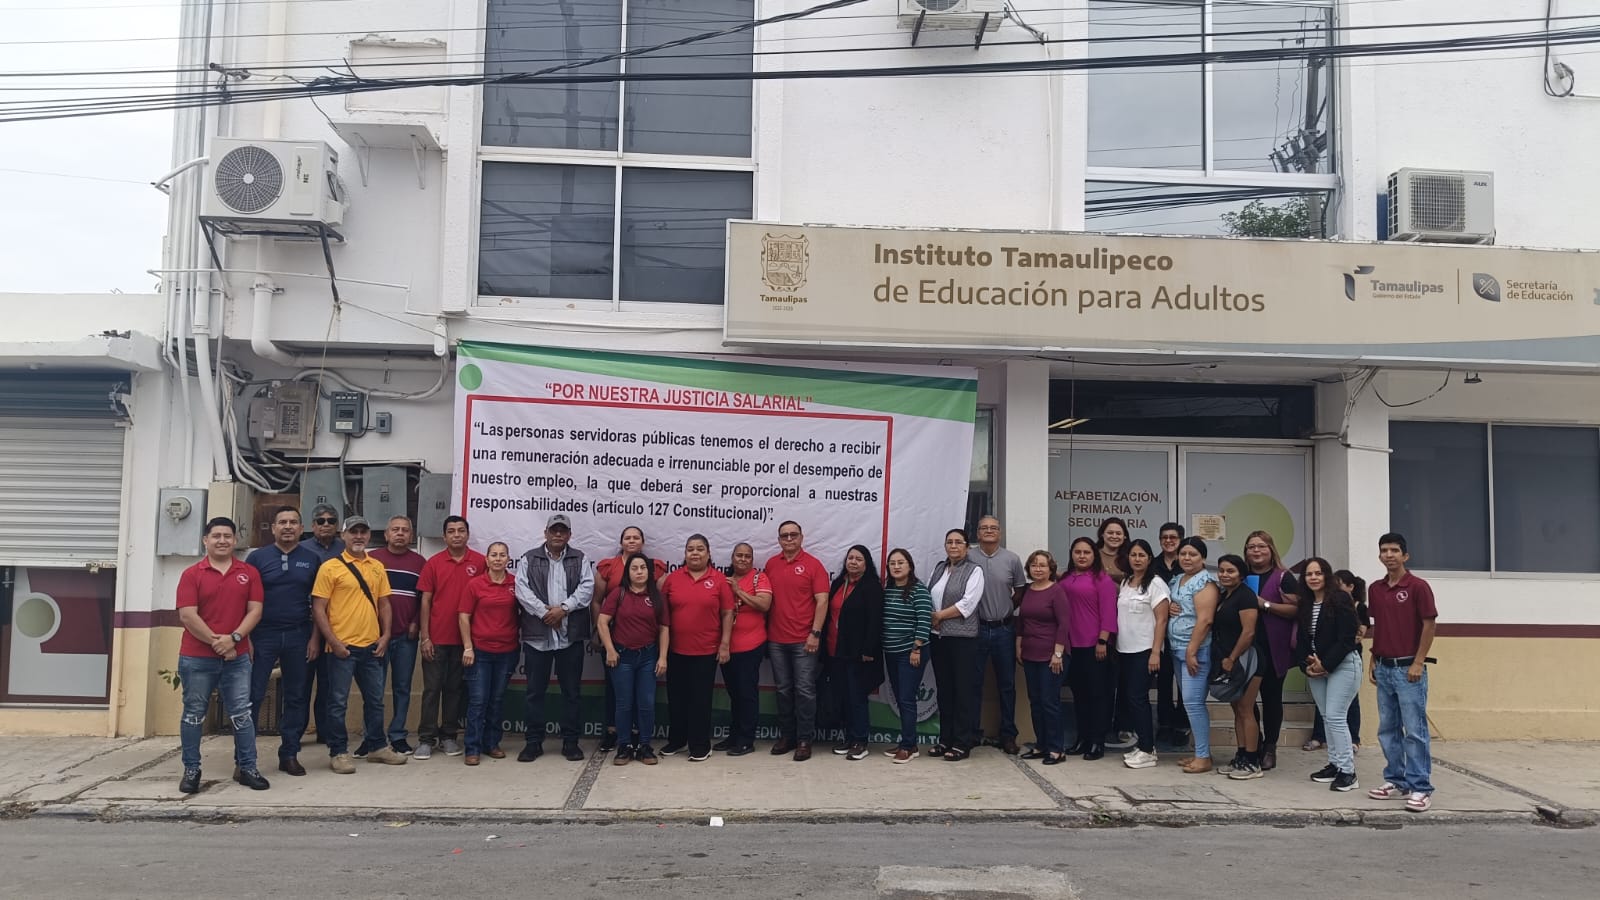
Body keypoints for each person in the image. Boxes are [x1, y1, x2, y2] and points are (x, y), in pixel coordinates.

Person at [175, 517, 267, 793]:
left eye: (228, 536)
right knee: (194, 714)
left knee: (242, 714)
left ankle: (248, 767)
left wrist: (235, 638)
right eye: (216, 536)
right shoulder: (192, 574)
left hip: (236, 658)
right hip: (197, 657)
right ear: (206, 540)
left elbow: (255, 610)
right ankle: (192, 769)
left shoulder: (248, 572)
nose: (222, 540)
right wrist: (217, 642)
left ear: (235, 541)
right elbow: (187, 615)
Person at [310, 516, 408, 772]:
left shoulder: (377, 567)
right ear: (344, 536)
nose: (359, 537)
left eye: (363, 532)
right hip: (341, 648)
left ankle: (377, 746)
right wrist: (332, 641)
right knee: (338, 702)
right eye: (353, 532)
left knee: (376, 701)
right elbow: (319, 608)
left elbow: (385, 603)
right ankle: (339, 751)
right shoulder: (330, 567)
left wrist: (386, 635)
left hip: (372, 647)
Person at [243, 505, 321, 777]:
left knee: (297, 697)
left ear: (301, 528)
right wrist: (247, 639)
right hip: (262, 636)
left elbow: (319, 604)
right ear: (273, 528)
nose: (288, 526)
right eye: (282, 522)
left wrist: (315, 638)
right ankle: (245, 760)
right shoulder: (256, 559)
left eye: (293, 522)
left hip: (299, 635)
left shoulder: (312, 559)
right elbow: (245, 602)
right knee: (252, 696)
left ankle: (289, 754)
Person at [1367, 532, 1439, 813]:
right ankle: (1396, 779)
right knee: (1387, 728)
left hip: (1409, 668)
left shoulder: (1418, 587)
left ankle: (1421, 787)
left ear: (1405, 555)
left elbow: (1429, 625)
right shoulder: (1376, 588)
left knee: (1415, 730)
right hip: (1384, 667)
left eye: (1394, 550)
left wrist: (1418, 662)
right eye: (1384, 550)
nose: (1389, 555)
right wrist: (1374, 658)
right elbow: (1380, 626)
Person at [515, 513, 596, 763]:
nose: (558, 534)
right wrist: (545, 613)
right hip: (537, 637)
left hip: (569, 637)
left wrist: (564, 609)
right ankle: (533, 743)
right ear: (546, 533)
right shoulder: (529, 558)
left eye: (563, 531)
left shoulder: (580, 558)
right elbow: (522, 590)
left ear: (569, 535)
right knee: (534, 693)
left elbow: (587, 588)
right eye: (554, 530)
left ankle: (570, 743)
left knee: (571, 692)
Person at [414, 515, 486, 759]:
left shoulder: (480, 562)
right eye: (452, 531)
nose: (457, 535)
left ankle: (449, 736)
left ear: (468, 534)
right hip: (436, 638)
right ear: (444, 536)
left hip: (466, 641)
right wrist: (425, 637)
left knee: (455, 689)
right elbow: (425, 601)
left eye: (461, 530)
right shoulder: (433, 563)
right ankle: (426, 738)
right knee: (432, 689)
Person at [659, 535, 735, 762]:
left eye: (700, 549)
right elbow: (663, 616)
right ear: (684, 554)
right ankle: (677, 740)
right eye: (690, 549)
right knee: (676, 698)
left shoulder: (719, 579)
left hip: (706, 651)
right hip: (676, 651)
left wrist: (724, 645)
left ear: (709, 554)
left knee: (700, 700)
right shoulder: (672, 579)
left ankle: (700, 744)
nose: (695, 553)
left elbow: (727, 613)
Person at [593, 526, 668, 753]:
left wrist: (662, 657)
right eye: (634, 568)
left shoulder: (656, 596)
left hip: (648, 655)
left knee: (645, 703)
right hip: (621, 654)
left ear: (649, 571)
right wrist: (609, 649)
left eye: (642, 568)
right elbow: (602, 621)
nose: (639, 572)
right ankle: (623, 745)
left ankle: (645, 745)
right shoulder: (618, 593)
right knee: (623, 703)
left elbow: (664, 627)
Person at [763, 521, 830, 761]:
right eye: (784, 536)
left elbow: (822, 601)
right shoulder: (771, 564)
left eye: (793, 535)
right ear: (779, 539)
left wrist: (815, 633)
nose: (789, 539)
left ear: (802, 537)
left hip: (805, 641)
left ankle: (804, 740)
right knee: (783, 690)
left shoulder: (813, 565)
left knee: (805, 691)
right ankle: (787, 736)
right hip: (776, 640)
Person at [1293, 557, 1361, 792]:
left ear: (1327, 576)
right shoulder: (1305, 603)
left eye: (1318, 573)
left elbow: (1346, 638)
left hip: (1342, 665)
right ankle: (1334, 764)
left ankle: (1348, 772)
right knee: (1325, 715)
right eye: (1309, 574)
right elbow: (1302, 639)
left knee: (1335, 715)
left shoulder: (1340, 599)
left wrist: (1326, 664)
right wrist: (1307, 664)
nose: (1313, 577)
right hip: (1316, 667)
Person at [968, 516, 1028, 755]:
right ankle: (971, 732)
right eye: (984, 528)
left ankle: (1008, 735)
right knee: (973, 684)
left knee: (1007, 685)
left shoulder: (1012, 559)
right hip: (975, 629)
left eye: (993, 528)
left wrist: (1006, 607)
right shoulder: (968, 557)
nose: (989, 531)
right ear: (978, 533)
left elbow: (1021, 589)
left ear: (1000, 533)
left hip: (1004, 629)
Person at [368, 515, 426, 757]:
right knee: (375, 689)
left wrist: (416, 623)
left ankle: (398, 736)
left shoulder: (420, 562)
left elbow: (423, 599)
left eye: (405, 530)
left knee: (402, 687)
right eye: (395, 529)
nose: (400, 533)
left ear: (411, 535)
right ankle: (374, 737)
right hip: (376, 636)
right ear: (387, 534)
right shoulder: (372, 559)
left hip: (406, 637)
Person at [458, 542, 520, 766]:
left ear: (508, 559)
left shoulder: (516, 583)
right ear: (486, 559)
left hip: (507, 651)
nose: (497, 559)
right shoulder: (475, 585)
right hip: (480, 652)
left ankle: (492, 743)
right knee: (478, 701)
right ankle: (472, 747)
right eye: (493, 555)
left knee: (496, 700)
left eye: (502, 555)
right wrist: (468, 647)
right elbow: (464, 616)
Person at [927, 529, 985, 761]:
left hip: (963, 640)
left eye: (958, 542)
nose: (953, 546)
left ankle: (962, 742)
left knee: (963, 691)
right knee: (945, 691)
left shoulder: (975, 570)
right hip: (938, 638)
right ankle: (945, 739)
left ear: (966, 547)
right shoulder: (939, 568)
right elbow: (929, 595)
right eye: (949, 542)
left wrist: (940, 616)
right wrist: (932, 616)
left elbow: (967, 605)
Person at [1241, 530, 1296, 772]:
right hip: (1247, 647)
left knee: (1272, 700)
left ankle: (1271, 747)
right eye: (1251, 547)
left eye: (1261, 546)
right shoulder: (1241, 576)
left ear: (1271, 549)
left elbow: (1295, 610)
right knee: (1246, 700)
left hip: (1274, 648)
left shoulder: (1284, 577)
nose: (1256, 551)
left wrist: (1263, 603)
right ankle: (1257, 741)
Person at [824, 545, 884, 761]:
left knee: (857, 697)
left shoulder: (872, 587)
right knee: (843, 696)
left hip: (858, 653)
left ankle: (860, 741)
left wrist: (869, 650)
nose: (853, 562)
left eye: (859, 559)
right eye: (850, 558)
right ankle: (849, 738)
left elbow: (875, 622)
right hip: (835, 650)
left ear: (866, 564)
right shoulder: (839, 583)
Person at [1213, 554, 1268, 779]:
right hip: (1231, 661)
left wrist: (1232, 657)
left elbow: (1248, 632)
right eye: (1222, 570)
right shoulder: (1225, 595)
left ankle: (1253, 762)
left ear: (1241, 575)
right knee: (1236, 710)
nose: (1225, 575)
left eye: (1231, 571)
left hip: (1248, 660)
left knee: (1246, 709)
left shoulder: (1246, 596)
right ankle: (1242, 755)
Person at [1061, 537, 1117, 760]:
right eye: (1077, 552)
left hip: (1095, 646)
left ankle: (1097, 741)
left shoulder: (1101, 579)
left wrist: (1103, 640)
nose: (1082, 556)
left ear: (1094, 555)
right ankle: (1082, 739)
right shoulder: (1065, 578)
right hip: (1071, 647)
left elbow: (1109, 613)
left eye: (1086, 552)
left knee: (1098, 696)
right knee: (1079, 695)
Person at [1116, 539, 1170, 769]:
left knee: (1139, 699)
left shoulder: (1156, 584)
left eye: (1142, 555)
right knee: (1131, 698)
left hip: (1145, 650)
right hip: (1124, 649)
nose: (1137, 559)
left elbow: (1162, 619)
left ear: (1149, 559)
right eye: (1133, 555)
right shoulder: (1126, 582)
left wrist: (1155, 652)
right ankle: (1142, 744)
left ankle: (1148, 749)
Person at [1168, 537, 1219, 773]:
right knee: (1188, 703)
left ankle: (1203, 756)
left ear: (1203, 558)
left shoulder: (1205, 583)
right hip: (1176, 648)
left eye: (1193, 554)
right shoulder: (1177, 579)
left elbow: (1206, 619)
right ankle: (1198, 752)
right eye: (1184, 554)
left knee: (1193, 702)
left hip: (1196, 651)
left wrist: (1192, 650)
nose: (1187, 558)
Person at [1016, 550, 1070, 765]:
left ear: (1051, 569)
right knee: (1035, 702)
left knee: (1050, 702)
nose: (1038, 569)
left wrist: (1058, 654)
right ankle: (1041, 745)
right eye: (1034, 565)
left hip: (1051, 655)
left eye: (1042, 565)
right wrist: (1018, 645)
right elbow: (1021, 621)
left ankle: (1057, 748)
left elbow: (1064, 624)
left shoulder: (1057, 591)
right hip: (1030, 653)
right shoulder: (1028, 590)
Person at [880, 548, 932, 763]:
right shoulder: (888, 590)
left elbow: (925, 621)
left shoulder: (918, 590)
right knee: (902, 698)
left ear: (909, 566)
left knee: (906, 699)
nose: (896, 566)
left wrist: (916, 648)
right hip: (891, 652)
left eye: (901, 562)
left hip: (910, 653)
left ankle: (908, 746)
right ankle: (909, 742)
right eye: (892, 563)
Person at [719, 542, 770, 756]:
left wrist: (738, 591)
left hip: (751, 644)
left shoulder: (760, 578)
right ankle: (734, 736)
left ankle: (746, 739)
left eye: (747, 556)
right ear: (732, 558)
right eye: (738, 555)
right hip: (726, 646)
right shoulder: (724, 580)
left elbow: (764, 605)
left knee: (746, 693)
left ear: (752, 559)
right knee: (734, 693)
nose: (742, 559)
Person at [300, 503, 344, 746]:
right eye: (321, 520)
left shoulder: (344, 549)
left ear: (337, 526)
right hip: (305, 624)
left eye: (331, 520)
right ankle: (296, 731)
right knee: (301, 683)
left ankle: (325, 733)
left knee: (328, 684)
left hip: (335, 626)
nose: (326, 524)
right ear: (311, 525)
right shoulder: (301, 549)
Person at [1096, 518, 1132, 750]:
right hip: (1100, 625)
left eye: (1119, 533)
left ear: (1125, 536)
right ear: (1102, 534)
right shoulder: (1093, 554)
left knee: (1126, 679)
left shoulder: (1130, 556)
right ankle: (1101, 726)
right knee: (1104, 680)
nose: (1114, 536)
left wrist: (1112, 577)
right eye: (1110, 532)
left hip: (1128, 624)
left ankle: (1123, 725)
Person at [1152, 522, 1189, 748]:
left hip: (1184, 632)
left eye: (1173, 537)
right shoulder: (1153, 565)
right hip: (1158, 631)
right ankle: (1164, 724)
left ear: (1180, 539)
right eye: (1164, 537)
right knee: (1164, 680)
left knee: (1185, 682)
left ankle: (1182, 725)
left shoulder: (1187, 564)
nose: (1168, 540)